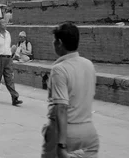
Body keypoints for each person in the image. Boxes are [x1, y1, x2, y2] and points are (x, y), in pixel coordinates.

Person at [41, 23, 99, 158]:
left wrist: (61, 145)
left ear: (59, 43)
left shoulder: (59, 69)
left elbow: (61, 107)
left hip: (66, 133)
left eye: (54, 40)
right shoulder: (88, 65)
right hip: (88, 131)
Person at [0, 18, 22, 106]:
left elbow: (8, 47)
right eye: (3, 23)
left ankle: (14, 97)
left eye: (5, 22)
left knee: (9, 78)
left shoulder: (8, 34)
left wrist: (11, 55)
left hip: (8, 58)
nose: (5, 24)